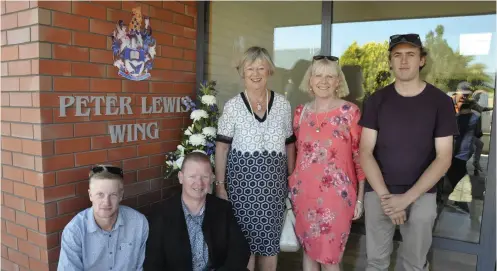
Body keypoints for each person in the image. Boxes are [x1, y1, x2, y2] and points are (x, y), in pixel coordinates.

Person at [359, 33, 458, 271]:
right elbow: (365, 151)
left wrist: (406, 199)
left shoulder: (441, 102)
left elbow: (444, 158)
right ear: (391, 61)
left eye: (410, 55)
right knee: (375, 263)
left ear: (422, 60)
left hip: (421, 194)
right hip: (379, 192)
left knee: (414, 264)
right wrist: (386, 198)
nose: (403, 61)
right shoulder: (376, 100)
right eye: (397, 55)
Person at [215, 46, 296, 271]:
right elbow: (221, 148)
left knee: (270, 245)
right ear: (243, 72)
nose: (256, 73)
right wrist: (220, 185)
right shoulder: (232, 106)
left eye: (261, 67)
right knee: (244, 246)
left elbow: (290, 145)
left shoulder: (282, 105)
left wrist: (291, 178)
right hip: (241, 188)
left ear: (269, 70)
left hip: (273, 189)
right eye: (250, 68)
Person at [289, 55, 365, 271]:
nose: (323, 81)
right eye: (318, 75)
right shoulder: (300, 113)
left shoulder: (350, 112)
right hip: (304, 195)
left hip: (337, 197)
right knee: (309, 253)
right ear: (310, 80)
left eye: (330, 76)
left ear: (338, 81)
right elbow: (296, 153)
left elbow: (359, 157)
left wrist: (359, 199)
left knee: (330, 258)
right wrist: (292, 184)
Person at [144, 152, 250, 270]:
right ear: (181, 177)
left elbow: (240, 249)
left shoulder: (223, 209)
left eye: (204, 177)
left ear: (211, 178)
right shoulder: (161, 214)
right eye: (192, 176)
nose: (199, 183)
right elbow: (153, 264)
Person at [58, 165, 149, 271]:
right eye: (100, 194)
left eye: (113, 195)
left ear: (121, 195)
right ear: (90, 195)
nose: (106, 202)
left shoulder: (138, 223)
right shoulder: (74, 231)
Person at [446, 101, 483, 213]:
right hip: (463, 151)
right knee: (458, 173)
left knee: (456, 174)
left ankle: (461, 203)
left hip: (455, 150)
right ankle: (460, 202)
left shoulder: (456, 117)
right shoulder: (475, 117)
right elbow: (478, 134)